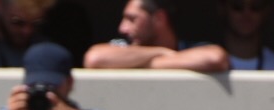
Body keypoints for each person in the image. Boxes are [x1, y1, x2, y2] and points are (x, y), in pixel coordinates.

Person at [82, 0, 232, 72]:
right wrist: (159, 52)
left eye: (132, 19)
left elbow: (215, 58)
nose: (122, 28)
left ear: (159, 18)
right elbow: (94, 58)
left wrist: (147, 63)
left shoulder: (188, 48)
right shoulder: (123, 46)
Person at [210, 0, 274, 71]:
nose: (247, 14)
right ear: (222, 8)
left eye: (255, 7)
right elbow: (215, 59)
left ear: (266, 10)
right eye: (238, 6)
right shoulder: (200, 59)